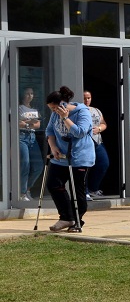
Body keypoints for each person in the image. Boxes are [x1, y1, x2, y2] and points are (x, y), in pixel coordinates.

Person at [44, 86, 95, 232]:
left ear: (63, 104)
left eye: (54, 108)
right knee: (53, 184)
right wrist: (53, 147)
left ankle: (77, 221)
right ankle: (66, 217)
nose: (53, 111)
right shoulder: (55, 114)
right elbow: (49, 130)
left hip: (79, 157)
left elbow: (80, 132)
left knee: (76, 191)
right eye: (51, 109)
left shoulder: (82, 112)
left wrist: (65, 118)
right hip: (60, 157)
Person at [18, 87, 43, 201]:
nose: (30, 96)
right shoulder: (19, 108)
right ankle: (22, 193)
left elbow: (38, 125)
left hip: (32, 137)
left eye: (32, 93)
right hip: (21, 137)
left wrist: (25, 122)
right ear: (23, 95)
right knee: (25, 165)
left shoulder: (34, 110)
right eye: (27, 93)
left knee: (38, 166)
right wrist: (29, 123)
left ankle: (27, 188)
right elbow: (17, 123)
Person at [84, 90, 109, 200]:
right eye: (84, 98)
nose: (87, 100)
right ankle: (84, 192)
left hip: (97, 141)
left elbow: (103, 124)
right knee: (84, 167)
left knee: (103, 163)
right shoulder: (77, 110)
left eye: (89, 98)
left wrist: (99, 128)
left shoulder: (96, 111)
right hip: (84, 142)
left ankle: (93, 189)